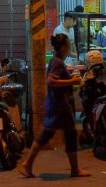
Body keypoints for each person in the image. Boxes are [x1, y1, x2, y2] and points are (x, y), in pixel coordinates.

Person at [17, 34, 90, 179]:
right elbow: (50, 81)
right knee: (67, 134)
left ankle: (28, 164)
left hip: (56, 104)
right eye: (68, 44)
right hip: (59, 106)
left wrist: (70, 82)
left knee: (50, 135)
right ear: (63, 47)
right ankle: (74, 169)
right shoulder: (57, 62)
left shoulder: (55, 61)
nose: (69, 47)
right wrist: (71, 82)